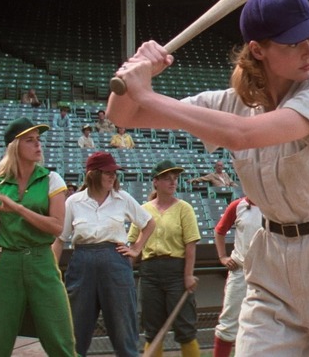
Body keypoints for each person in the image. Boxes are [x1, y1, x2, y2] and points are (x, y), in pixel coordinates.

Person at [107, 0, 309, 355]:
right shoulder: (232, 103)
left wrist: (146, 93)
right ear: (258, 50)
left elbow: (242, 135)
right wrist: (134, 71)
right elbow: (122, 115)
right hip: (271, 262)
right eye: (293, 42)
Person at [0, 117, 75, 356]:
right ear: (14, 147)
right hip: (8, 263)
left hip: (42, 261)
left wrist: (17, 208)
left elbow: (57, 227)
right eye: (30, 140)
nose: (38, 145)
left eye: (39, 140)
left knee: (60, 339)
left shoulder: (51, 179)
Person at [52, 151, 155, 357]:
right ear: (93, 174)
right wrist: (52, 270)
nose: (112, 177)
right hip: (82, 263)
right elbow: (59, 239)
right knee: (76, 331)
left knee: (123, 328)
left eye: (114, 173)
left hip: (115, 261)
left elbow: (149, 223)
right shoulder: (74, 202)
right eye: (107, 172)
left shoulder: (122, 198)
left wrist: (135, 248)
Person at [128, 160, 201, 357]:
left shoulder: (184, 208)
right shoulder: (143, 209)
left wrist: (188, 275)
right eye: (167, 179)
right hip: (150, 272)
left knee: (185, 328)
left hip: (176, 271)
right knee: (152, 331)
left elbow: (190, 245)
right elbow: (134, 244)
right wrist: (125, 272)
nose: (172, 182)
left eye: (174, 179)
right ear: (155, 182)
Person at [213, 197, 262, 357]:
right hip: (240, 271)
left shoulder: (276, 203)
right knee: (228, 324)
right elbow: (219, 231)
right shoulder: (238, 205)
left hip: (269, 274)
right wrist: (223, 257)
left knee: (267, 326)